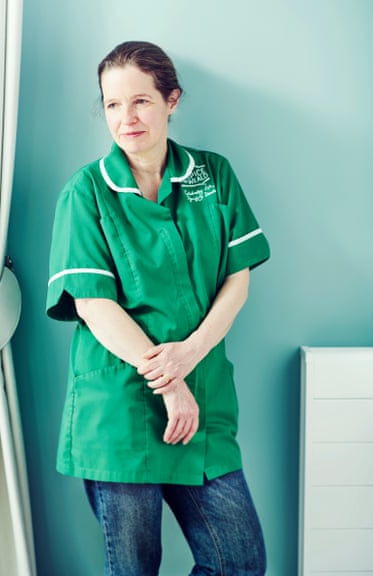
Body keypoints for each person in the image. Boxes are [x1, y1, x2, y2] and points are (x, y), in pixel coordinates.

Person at [47, 40, 270, 576]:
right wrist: (170, 383)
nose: (127, 118)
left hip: (205, 402)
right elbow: (96, 306)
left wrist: (189, 356)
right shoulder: (86, 193)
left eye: (141, 101)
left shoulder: (210, 176)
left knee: (239, 563)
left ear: (172, 100)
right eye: (112, 105)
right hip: (120, 410)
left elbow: (236, 281)